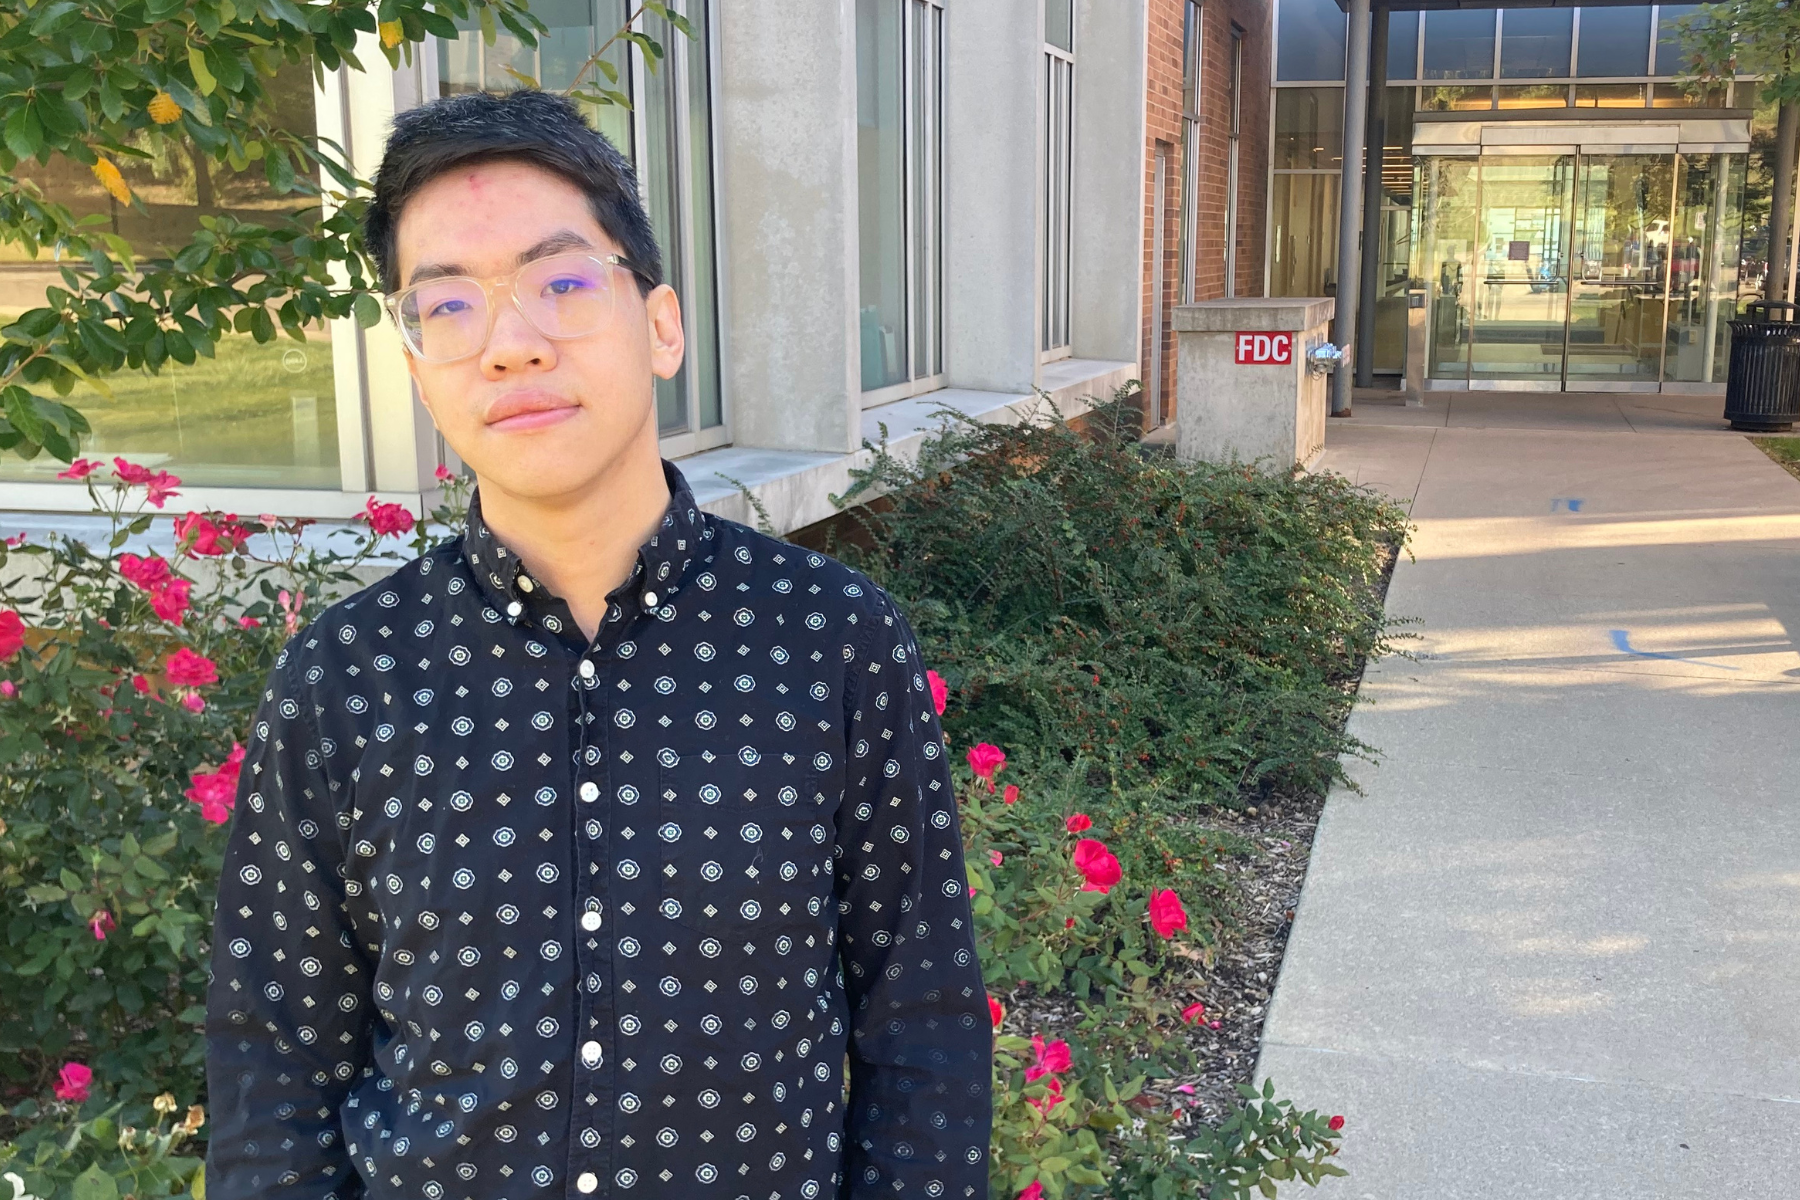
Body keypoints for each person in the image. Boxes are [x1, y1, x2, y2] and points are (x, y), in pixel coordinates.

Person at [203, 88, 992, 1200]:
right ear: (419, 360)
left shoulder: (831, 641)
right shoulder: (347, 678)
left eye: (561, 283)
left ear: (660, 324)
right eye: (450, 308)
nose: (510, 346)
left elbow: (925, 1035)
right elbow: (272, 1065)